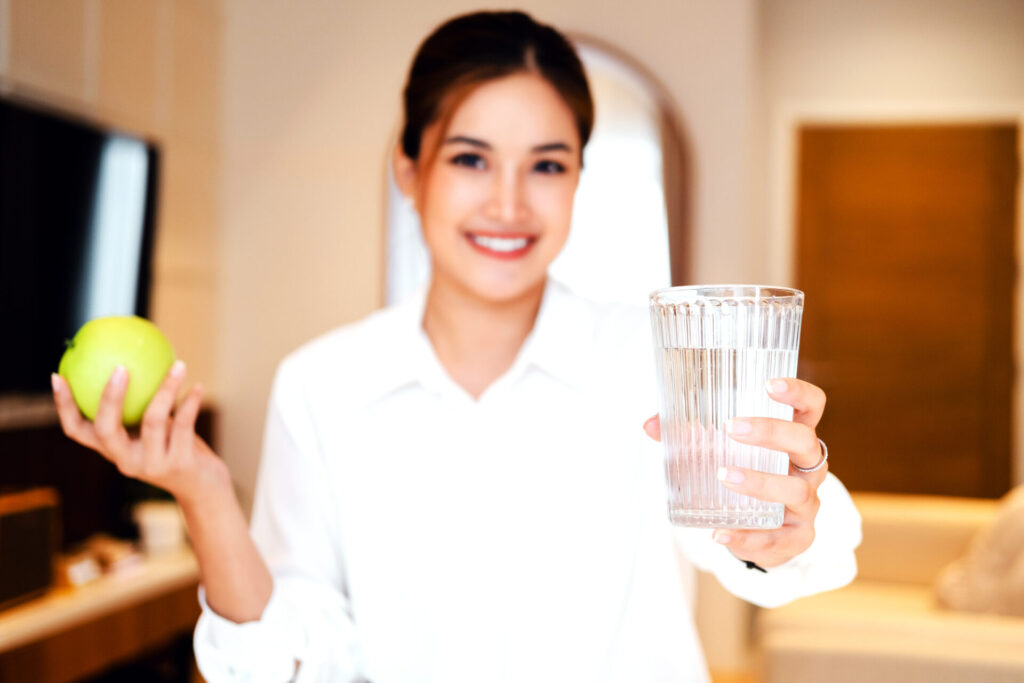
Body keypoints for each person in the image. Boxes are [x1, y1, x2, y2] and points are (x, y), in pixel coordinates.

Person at [51, 10, 861, 683]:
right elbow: (288, 662)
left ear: (579, 181)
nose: (508, 203)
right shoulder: (323, 385)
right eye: (471, 158)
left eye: (547, 165)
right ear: (410, 170)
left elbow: (776, 553)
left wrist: (788, 522)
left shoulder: (652, 361)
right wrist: (201, 490)